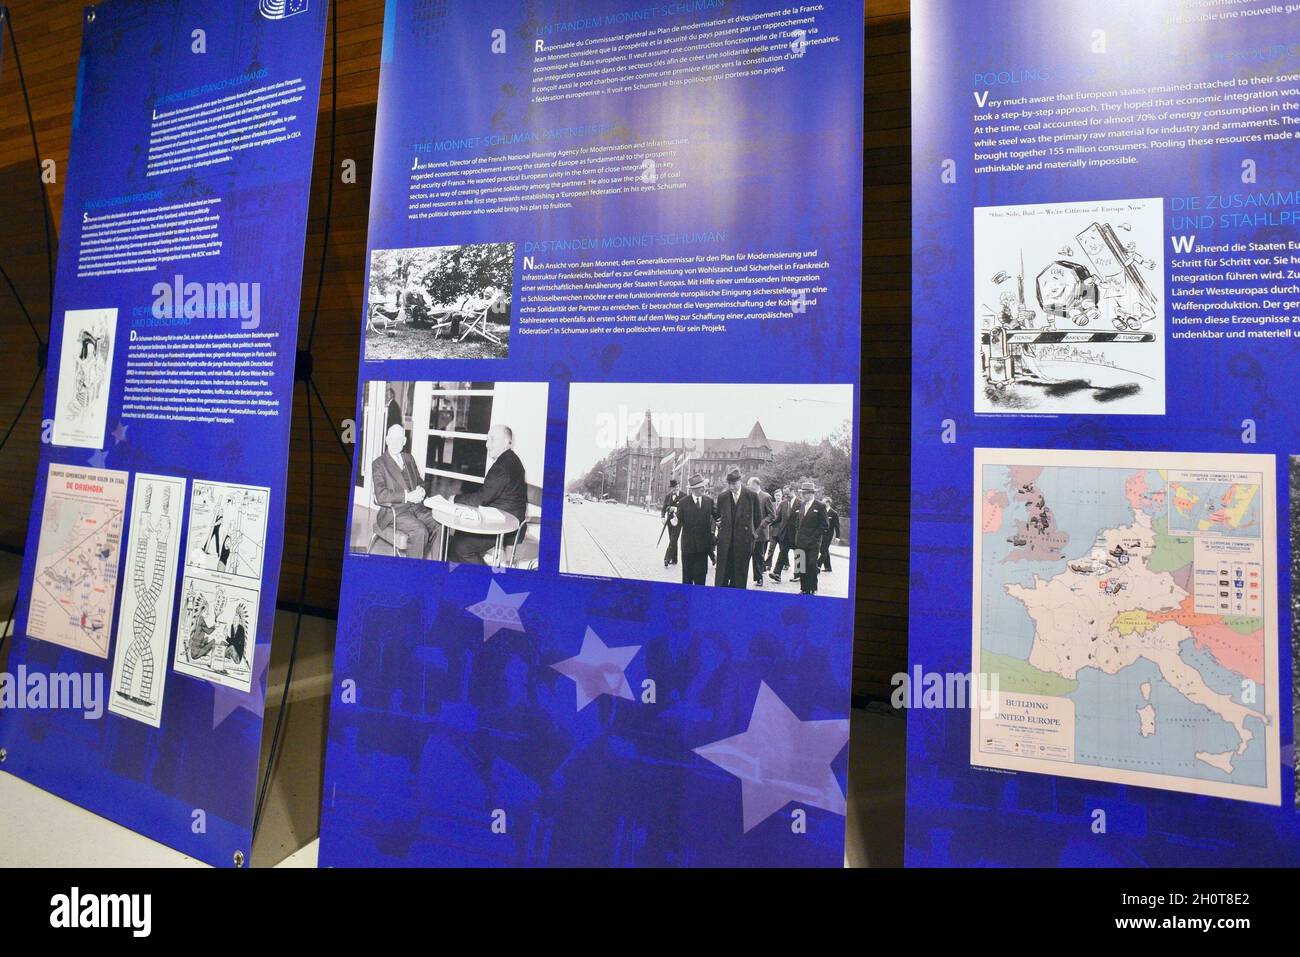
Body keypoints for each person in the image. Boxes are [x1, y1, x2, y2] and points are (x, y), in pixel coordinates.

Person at [450, 424, 528, 563]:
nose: (487, 444)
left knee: (461, 547)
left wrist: (454, 498)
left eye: (492, 439)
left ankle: (487, 581)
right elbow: (488, 494)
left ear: (505, 442)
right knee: (458, 536)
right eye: (487, 439)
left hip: (508, 527)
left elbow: (482, 498)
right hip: (504, 518)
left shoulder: (502, 467)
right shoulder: (511, 459)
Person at [371, 423, 439, 559]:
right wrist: (408, 496)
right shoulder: (379, 464)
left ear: (404, 441)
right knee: (420, 531)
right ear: (386, 440)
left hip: (417, 508)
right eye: (392, 439)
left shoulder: (409, 458)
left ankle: (436, 566)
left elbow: (420, 481)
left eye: (399, 439)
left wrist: (422, 490)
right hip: (395, 511)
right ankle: (411, 572)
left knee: (440, 524)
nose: (395, 443)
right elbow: (381, 495)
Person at [714, 468, 760, 588]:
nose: (731, 487)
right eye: (729, 484)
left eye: (733, 484)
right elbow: (718, 517)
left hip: (743, 544)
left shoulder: (751, 496)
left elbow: (757, 519)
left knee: (739, 578)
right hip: (725, 544)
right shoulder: (722, 497)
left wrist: (752, 535)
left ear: (740, 481)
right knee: (722, 578)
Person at [676, 473, 715, 586]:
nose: (704, 488)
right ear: (694, 489)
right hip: (688, 547)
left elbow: (717, 517)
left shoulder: (709, 501)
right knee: (687, 579)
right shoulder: (683, 502)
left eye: (704, 486)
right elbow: (677, 521)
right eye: (701, 486)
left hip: (703, 548)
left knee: (701, 579)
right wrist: (674, 521)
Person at [794, 480, 828, 595]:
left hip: (813, 543)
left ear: (810, 493)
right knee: (800, 566)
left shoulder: (820, 506)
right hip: (800, 541)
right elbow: (798, 522)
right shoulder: (802, 505)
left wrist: (814, 537)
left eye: (804, 493)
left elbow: (824, 525)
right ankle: (804, 589)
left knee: (811, 565)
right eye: (802, 493)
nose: (802, 495)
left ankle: (812, 588)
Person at [747, 477, 775, 587]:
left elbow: (772, 515)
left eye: (749, 484)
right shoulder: (749, 496)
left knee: (758, 556)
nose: (748, 486)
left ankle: (759, 579)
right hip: (749, 532)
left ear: (755, 484)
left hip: (760, 533)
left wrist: (761, 525)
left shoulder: (766, 497)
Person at [769, 486, 800, 583]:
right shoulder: (783, 503)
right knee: (782, 553)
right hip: (784, 534)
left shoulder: (801, 503)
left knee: (799, 554)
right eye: (784, 494)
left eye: (787, 494)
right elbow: (777, 518)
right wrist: (768, 523)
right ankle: (777, 573)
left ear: (792, 491)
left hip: (796, 534)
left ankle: (799, 575)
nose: (785, 496)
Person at [660, 478, 684, 567]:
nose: (675, 489)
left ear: (679, 486)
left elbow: (685, 508)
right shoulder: (668, 496)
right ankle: (674, 559)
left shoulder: (683, 495)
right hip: (669, 521)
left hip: (678, 521)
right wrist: (662, 517)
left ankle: (667, 558)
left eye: (677, 486)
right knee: (672, 540)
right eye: (673, 487)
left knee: (673, 539)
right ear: (671, 488)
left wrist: (676, 509)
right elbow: (663, 508)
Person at [819, 495, 841, 572]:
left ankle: (817, 565)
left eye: (824, 502)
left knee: (823, 549)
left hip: (828, 535)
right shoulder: (822, 511)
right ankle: (828, 567)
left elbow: (837, 526)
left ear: (828, 503)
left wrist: (837, 537)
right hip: (821, 534)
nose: (822, 503)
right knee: (825, 550)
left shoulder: (833, 513)